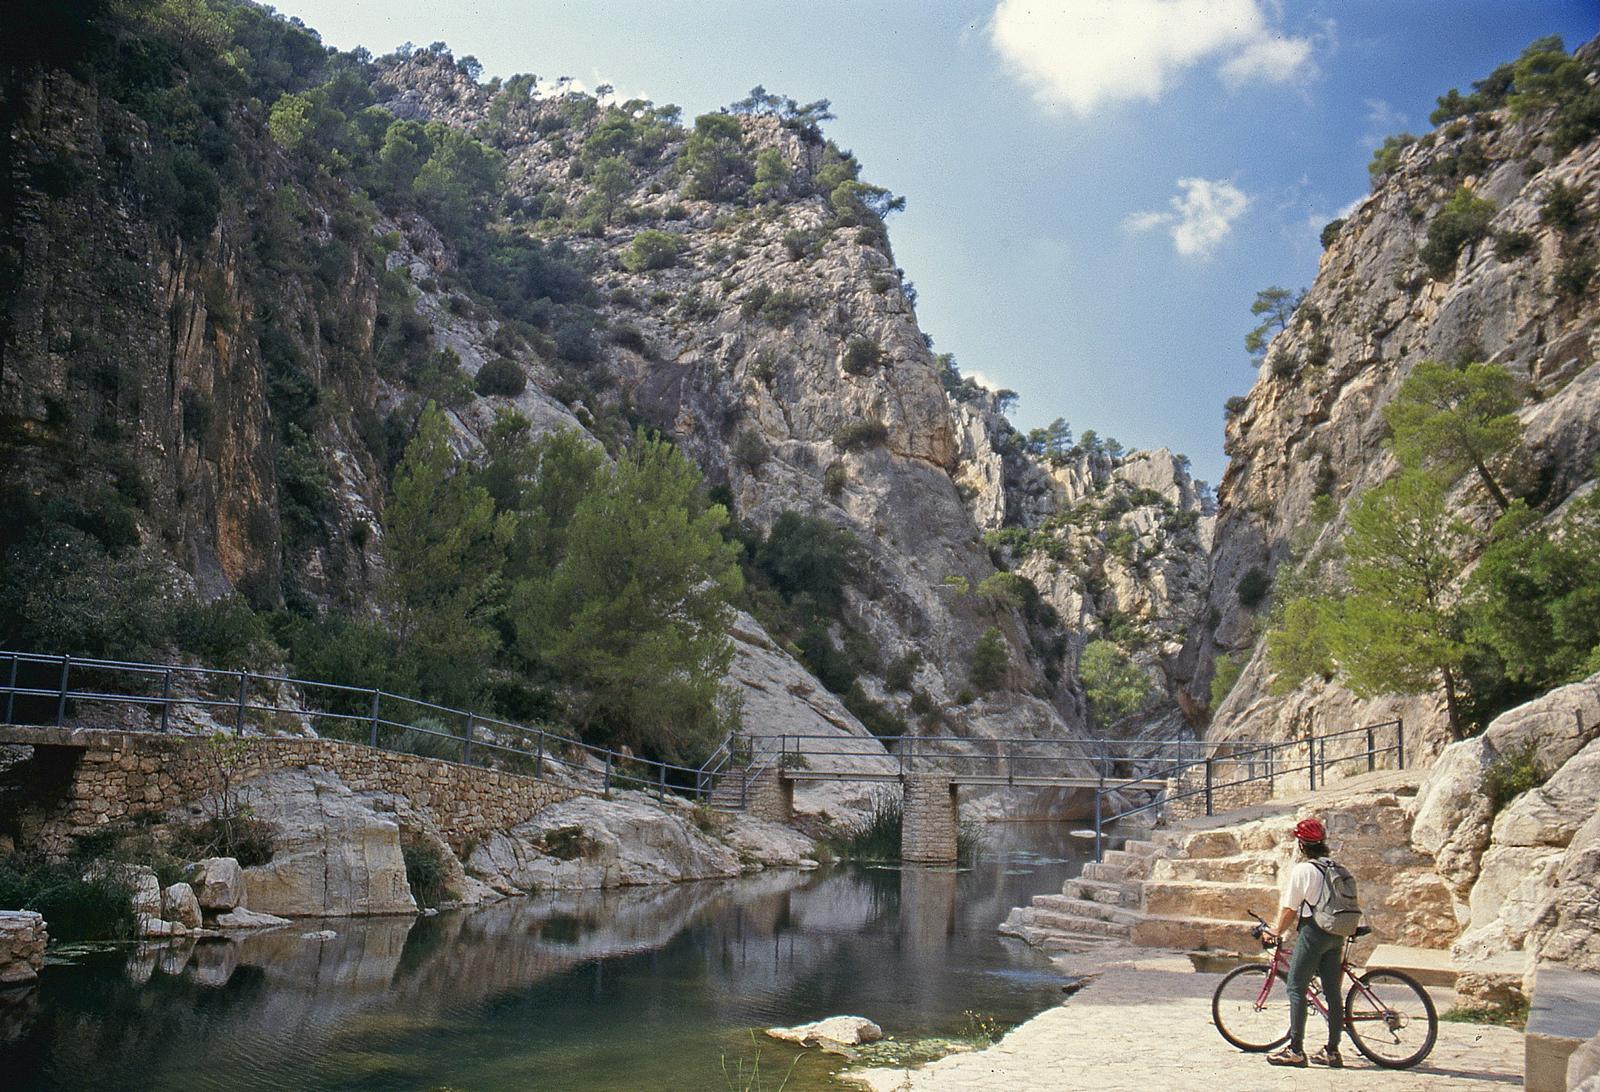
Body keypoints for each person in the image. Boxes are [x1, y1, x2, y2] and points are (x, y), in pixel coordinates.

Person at [1262, 817, 1345, 1068]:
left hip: (1314, 933)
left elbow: (1290, 909)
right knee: (1333, 993)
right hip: (1335, 933)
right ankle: (1332, 1051)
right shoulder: (1335, 867)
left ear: (1301, 844)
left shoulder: (1304, 870)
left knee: (1296, 988)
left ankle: (1296, 1050)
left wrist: (1275, 930)